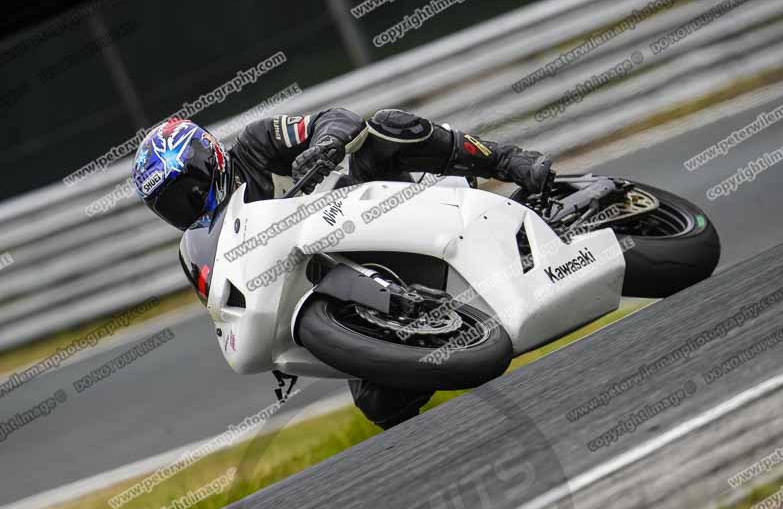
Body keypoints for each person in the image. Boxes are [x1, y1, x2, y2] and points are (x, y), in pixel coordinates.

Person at [131, 108, 552, 429]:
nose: (185, 206)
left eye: (188, 190)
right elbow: (228, 311)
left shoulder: (256, 145)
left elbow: (333, 118)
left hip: (365, 207)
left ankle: (509, 161)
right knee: (380, 406)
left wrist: (326, 143)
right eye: (170, 205)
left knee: (384, 128)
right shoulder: (194, 251)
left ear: (210, 160)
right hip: (325, 295)